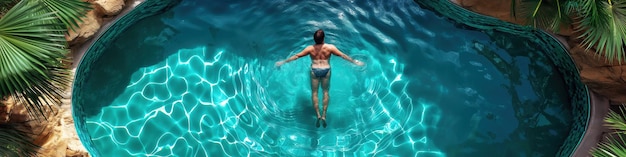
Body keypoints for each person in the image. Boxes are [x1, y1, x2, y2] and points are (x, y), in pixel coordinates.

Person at [275, 29, 364, 128]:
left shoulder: (310, 49)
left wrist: (282, 62)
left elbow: (297, 56)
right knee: (325, 92)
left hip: (315, 70)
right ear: (323, 38)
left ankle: (318, 114)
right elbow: (343, 55)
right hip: (326, 70)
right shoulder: (330, 47)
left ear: (314, 39)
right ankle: (324, 115)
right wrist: (356, 62)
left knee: (314, 93)